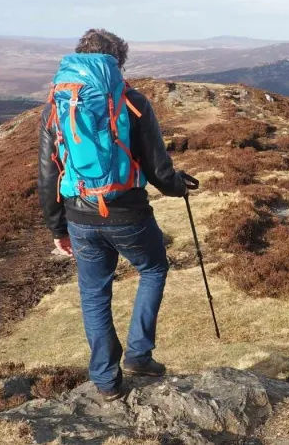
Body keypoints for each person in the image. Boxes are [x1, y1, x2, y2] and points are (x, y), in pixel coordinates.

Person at [37, 29, 191, 402]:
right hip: (128, 213)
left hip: (80, 215)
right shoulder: (132, 102)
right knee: (152, 269)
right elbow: (158, 167)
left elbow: (48, 172)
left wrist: (58, 227)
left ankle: (106, 381)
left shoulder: (56, 106)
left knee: (93, 294)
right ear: (117, 62)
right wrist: (179, 186)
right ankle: (139, 355)